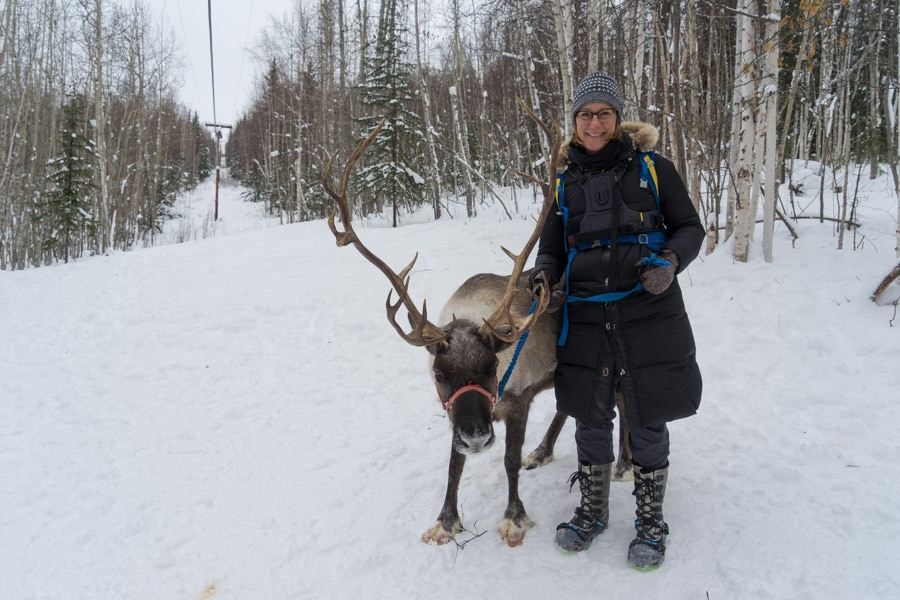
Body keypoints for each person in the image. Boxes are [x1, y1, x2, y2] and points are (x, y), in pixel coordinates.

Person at [529, 70, 704, 569]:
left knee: (647, 414)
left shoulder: (654, 168)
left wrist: (670, 262)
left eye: (604, 113)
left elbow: (691, 226)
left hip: (649, 308)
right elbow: (551, 249)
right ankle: (592, 511)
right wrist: (544, 281)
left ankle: (651, 521)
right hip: (585, 314)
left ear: (618, 117)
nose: (595, 122)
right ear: (576, 121)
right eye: (586, 114)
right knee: (589, 413)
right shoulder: (564, 184)